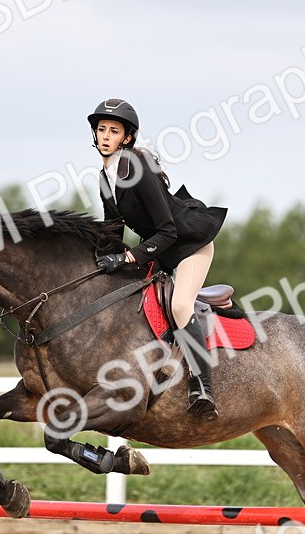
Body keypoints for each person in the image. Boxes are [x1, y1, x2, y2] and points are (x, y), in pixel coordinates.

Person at [88, 98, 227, 420]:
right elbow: (113, 228)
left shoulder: (138, 171)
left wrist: (126, 258)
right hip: (160, 250)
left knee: (180, 306)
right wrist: (99, 262)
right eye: (101, 130)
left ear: (126, 138)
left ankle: (202, 386)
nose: (105, 136)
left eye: (113, 131)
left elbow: (167, 231)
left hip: (189, 245)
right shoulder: (104, 177)